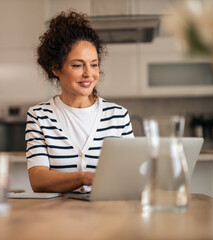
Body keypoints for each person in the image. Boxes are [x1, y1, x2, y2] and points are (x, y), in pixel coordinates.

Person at [26, 11, 134, 194]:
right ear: (56, 68)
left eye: (94, 64)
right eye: (77, 65)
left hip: (108, 215)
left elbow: (132, 174)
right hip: (57, 219)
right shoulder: (39, 116)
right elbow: (38, 180)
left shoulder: (118, 115)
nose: (88, 73)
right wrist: (84, 177)